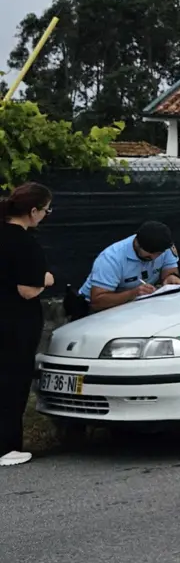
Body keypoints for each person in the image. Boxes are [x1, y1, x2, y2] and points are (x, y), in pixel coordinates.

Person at [0, 182, 55, 466]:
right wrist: (46, 280)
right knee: (12, 384)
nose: (46, 215)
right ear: (33, 211)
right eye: (46, 210)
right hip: (14, 323)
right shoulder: (24, 242)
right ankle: (6, 447)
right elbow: (28, 290)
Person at [77, 221, 180, 313]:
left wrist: (170, 277)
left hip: (136, 304)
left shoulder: (165, 248)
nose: (154, 257)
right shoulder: (111, 258)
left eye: (159, 253)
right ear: (137, 244)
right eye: (150, 253)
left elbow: (169, 273)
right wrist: (134, 293)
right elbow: (97, 302)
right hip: (97, 309)